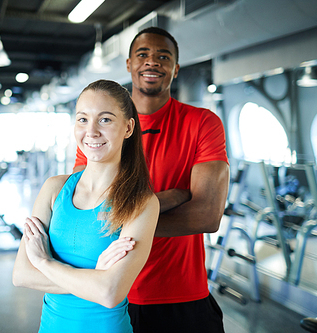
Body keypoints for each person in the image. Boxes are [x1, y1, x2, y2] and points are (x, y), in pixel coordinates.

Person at [73, 27, 230, 332]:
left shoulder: (202, 123)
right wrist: (173, 196)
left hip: (182, 294)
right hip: (114, 290)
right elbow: (90, 212)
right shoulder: (101, 130)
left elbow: (207, 216)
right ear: (129, 64)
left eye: (163, 56)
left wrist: (122, 221)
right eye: (143, 55)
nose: (152, 62)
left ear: (176, 68)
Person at [13, 79, 160, 333]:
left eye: (105, 120)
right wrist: (94, 276)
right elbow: (22, 274)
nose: (91, 132)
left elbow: (110, 292)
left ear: (128, 127)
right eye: (82, 119)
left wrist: (44, 262)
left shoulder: (141, 202)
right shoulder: (54, 189)